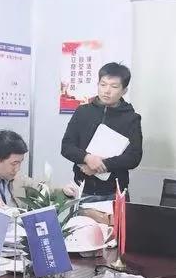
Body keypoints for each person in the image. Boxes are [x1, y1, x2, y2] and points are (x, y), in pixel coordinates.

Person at [60, 62, 142, 197]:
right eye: (103, 85)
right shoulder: (82, 112)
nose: (107, 90)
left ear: (124, 90)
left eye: (114, 86)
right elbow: (67, 147)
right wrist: (87, 158)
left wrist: (101, 165)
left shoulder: (131, 118)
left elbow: (134, 157)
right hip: (82, 189)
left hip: (115, 192)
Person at [0, 130, 77, 207]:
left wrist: (63, 191)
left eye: (20, 162)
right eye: (14, 163)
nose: (17, 169)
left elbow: (39, 188)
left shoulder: (16, 178)